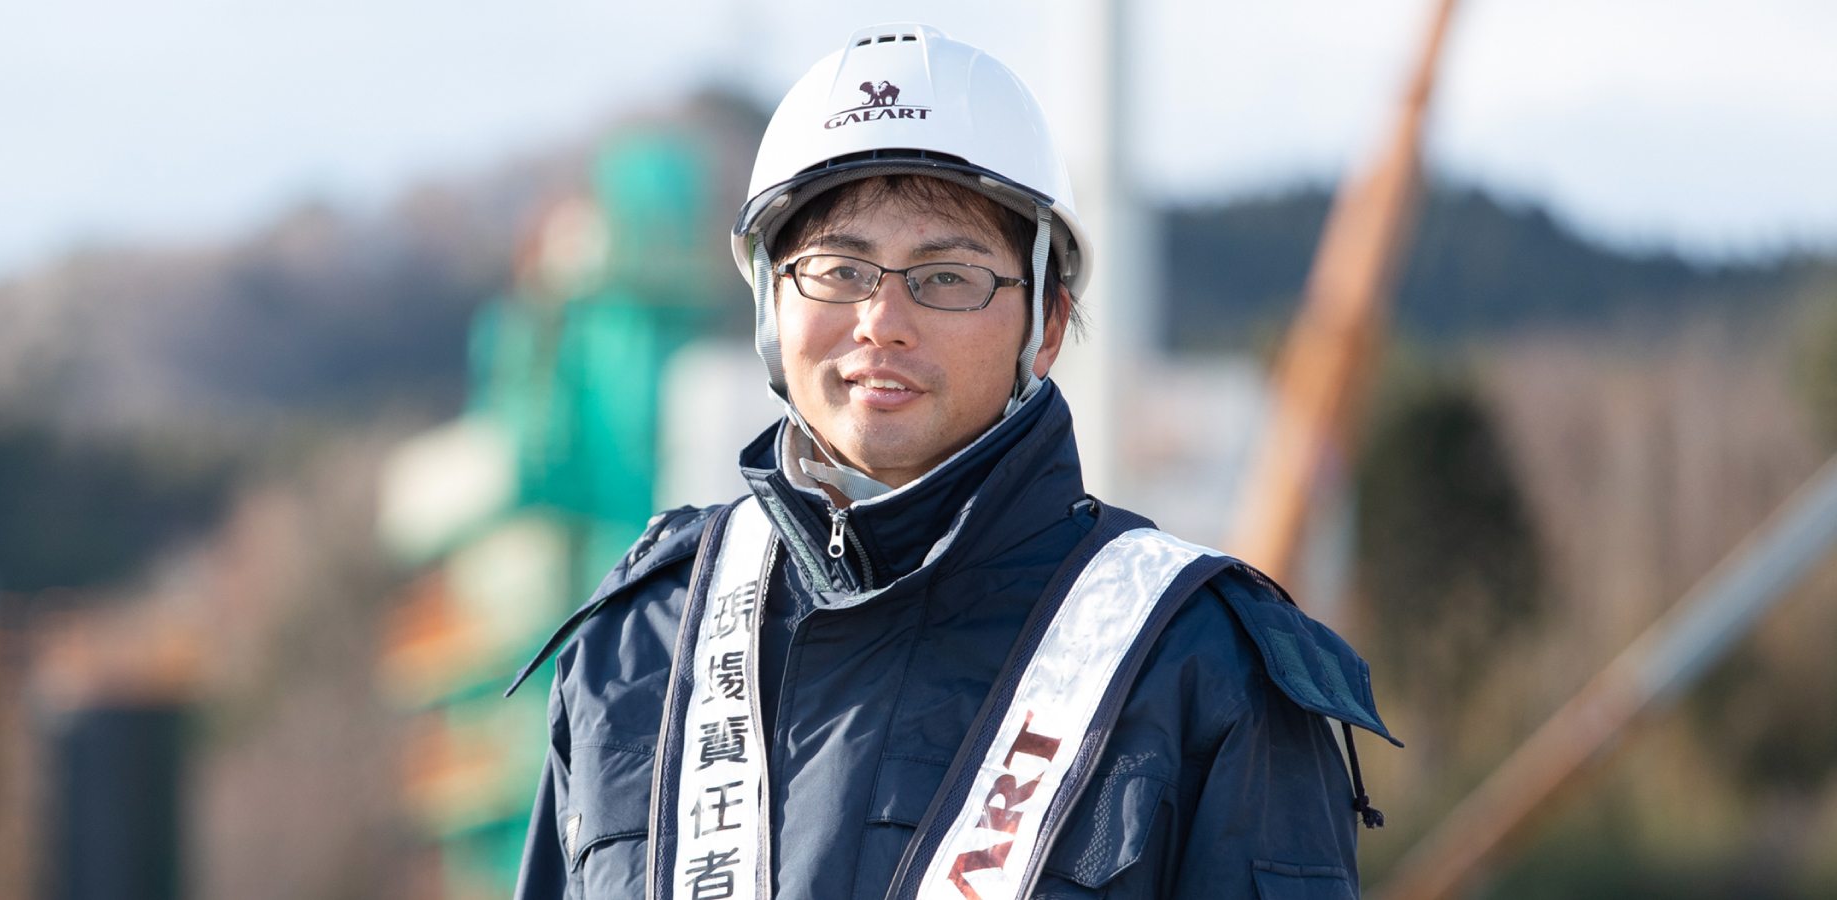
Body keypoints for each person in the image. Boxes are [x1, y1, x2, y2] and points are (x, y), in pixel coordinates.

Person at [508, 23, 1395, 900]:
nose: (881, 321)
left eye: (947, 277)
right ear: (770, 302)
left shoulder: (1198, 664)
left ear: (1046, 324)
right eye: (837, 269)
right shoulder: (639, 642)